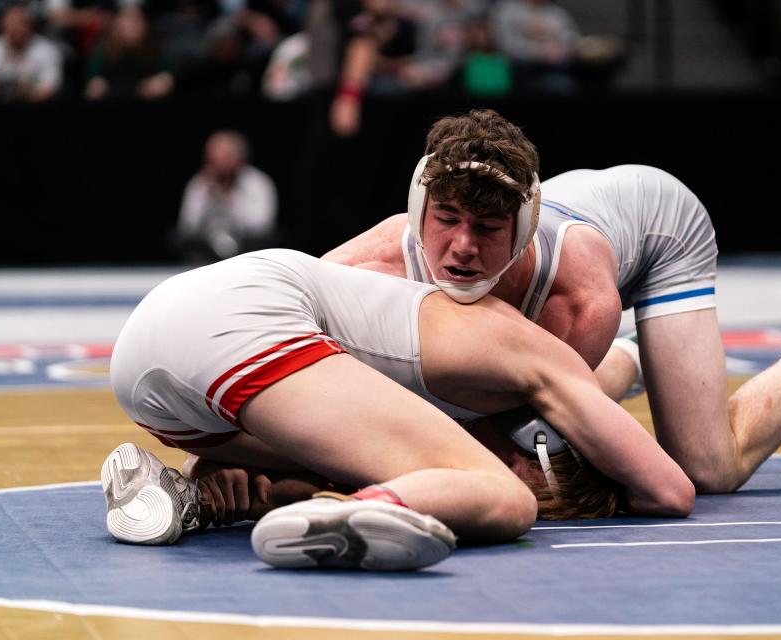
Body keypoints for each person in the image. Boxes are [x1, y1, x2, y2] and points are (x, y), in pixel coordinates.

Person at [324, 108, 781, 495]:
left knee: (709, 469)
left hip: (658, 233)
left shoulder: (579, 299)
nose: (460, 248)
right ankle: (644, 361)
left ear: (518, 228)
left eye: (486, 229)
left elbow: (505, 438)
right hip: (584, 227)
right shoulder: (361, 268)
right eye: (447, 219)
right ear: (417, 210)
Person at [103, 249, 694, 570]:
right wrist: (641, 364)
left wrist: (217, 477)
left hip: (159, 374)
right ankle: (357, 512)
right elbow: (672, 491)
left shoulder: (432, 348)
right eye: (534, 472)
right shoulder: (527, 351)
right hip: (237, 330)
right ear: (540, 439)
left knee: (305, 478)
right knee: (502, 502)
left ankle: (183, 498)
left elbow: (296, 410)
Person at [172, 129, 279, 262]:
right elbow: (188, 225)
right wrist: (208, 194)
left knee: (270, 239)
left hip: (246, 247)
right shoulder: (200, 183)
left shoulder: (258, 183)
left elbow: (261, 225)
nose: (215, 161)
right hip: (207, 246)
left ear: (238, 157)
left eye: (223, 156)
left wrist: (226, 199)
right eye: (211, 155)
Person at [0, 4, 63, 102]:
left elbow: (51, 87)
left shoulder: (47, 51)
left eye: (18, 25)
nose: (13, 30)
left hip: (37, 109)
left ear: (29, 27)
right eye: (9, 25)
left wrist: (22, 95)